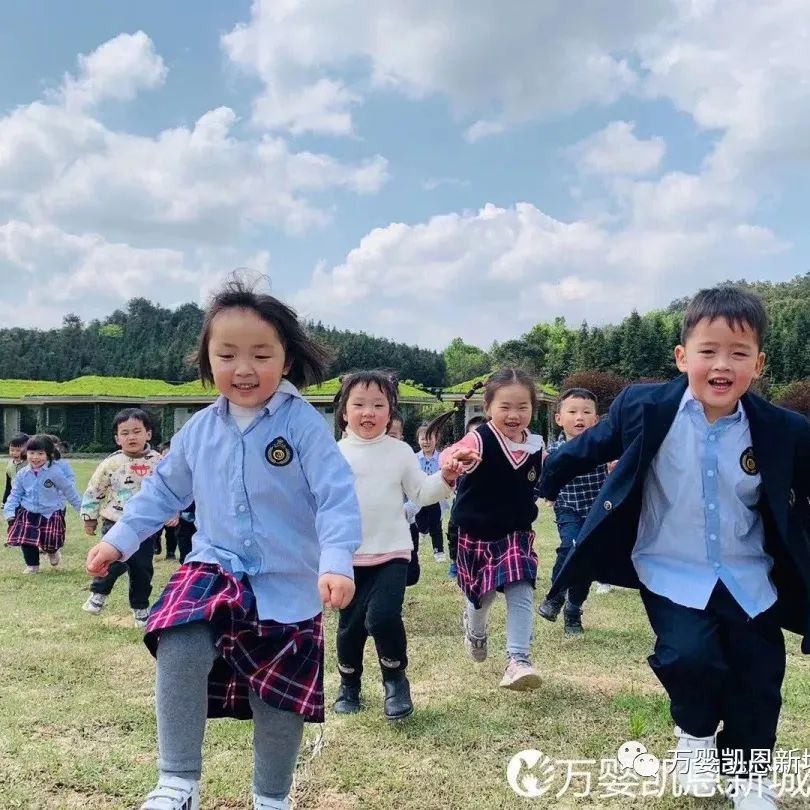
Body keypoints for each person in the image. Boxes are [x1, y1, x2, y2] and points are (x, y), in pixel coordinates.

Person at [85, 277, 362, 810]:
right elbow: (163, 491)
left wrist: (335, 562)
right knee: (178, 637)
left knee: (276, 696)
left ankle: (271, 797)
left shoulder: (303, 425)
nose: (244, 368)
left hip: (288, 579)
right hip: (214, 564)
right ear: (208, 360)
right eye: (227, 354)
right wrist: (119, 539)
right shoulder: (199, 430)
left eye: (261, 354)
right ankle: (177, 782)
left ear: (286, 359)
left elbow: (335, 497)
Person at [536, 287, 810, 809]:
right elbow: (588, 447)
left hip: (749, 572)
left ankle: (750, 778)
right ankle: (696, 732)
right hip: (668, 566)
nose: (722, 365)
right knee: (689, 657)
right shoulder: (644, 407)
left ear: (759, 364)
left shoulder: (784, 431)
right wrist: (535, 482)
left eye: (739, 353)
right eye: (709, 351)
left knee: (759, 674)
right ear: (683, 357)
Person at [333, 371, 475, 719]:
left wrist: (447, 476)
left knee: (382, 618)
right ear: (344, 412)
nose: (369, 412)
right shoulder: (332, 454)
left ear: (390, 412)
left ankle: (395, 680)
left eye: (378, 405)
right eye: (359, 404)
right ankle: (349, 685)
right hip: (347, 556)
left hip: (392, 552)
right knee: (350, 627)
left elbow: (422, 492)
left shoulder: (399, 452)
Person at [433, 368, 545, 691]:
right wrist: (454, 459)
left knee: (521, 586)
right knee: (481, 597)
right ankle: (475, 630)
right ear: (489, 406)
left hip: (516, 532)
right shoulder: (480, 439)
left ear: (533, 408)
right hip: (476, 533)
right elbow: (451, 453)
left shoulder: (535, 446)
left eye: (522, 407)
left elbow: (549, 475)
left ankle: (518, 660)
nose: (514, 415)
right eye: (505, 407)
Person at [80, 409, 165, 628]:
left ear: (148, 434)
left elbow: (168, 490)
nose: (131, 437)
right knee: (111, 562)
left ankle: (140, 608)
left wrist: (172, 514)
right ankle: (98, 594)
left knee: (142, 569)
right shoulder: (111, 463)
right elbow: (94, 490)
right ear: (117, 438)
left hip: (146, 527)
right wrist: (89, 517)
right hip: (114, 522)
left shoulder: (159, 462)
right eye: (125, 433)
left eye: (137, 431)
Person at [536, 388, 608, 636]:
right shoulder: (554, 452)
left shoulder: (604, 447)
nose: (580, 417)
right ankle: (555, 596)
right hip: (568, 508)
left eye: (587, 412)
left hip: (597, 512)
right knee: (570, 546)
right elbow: (543, 481)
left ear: (595, 419)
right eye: (573, 412)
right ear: (559, 418)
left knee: (586, 561)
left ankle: (573, 610)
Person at [4, 434, 82, 572]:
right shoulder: (22, 474)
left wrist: (82, 510)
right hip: (28, 512)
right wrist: (9, 511)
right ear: (26, 453)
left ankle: (52, 551)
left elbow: (69, 491)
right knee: (27, 541)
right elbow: (15, 494)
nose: (35, 457)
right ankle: (32, 566)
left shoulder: (55, 472)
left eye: (40, 453)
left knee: (49, 541)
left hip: (50, 513)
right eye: (31, 453)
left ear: (49, 454)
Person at [446, 415, 486, 579]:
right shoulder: (460, 457)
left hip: (485, 506)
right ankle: (455, 562)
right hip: (461, 504)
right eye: (472, 436)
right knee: (454, 530)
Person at [2, 433, 29, 507]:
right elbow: (8, 485)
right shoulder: (10, 464)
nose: (14, 453)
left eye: (18, 450)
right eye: (12, 450)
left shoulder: (31, 464)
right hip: (15, 500)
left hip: (28, 501)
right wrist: (4, 501)